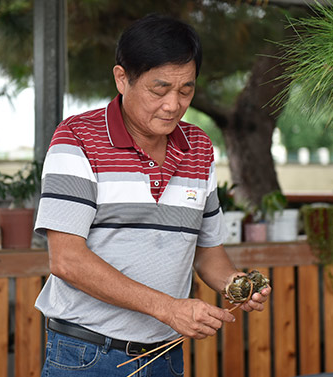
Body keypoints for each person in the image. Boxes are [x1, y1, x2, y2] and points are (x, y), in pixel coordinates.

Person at [34, 13, 271, 376]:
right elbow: (67, 260)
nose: (173, 104)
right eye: (159, 89)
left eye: (186, 90)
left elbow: (208, 254)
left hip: (164, 356)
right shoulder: (77, 139)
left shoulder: (200, 149)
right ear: (122, 78)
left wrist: (237, 285)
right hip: (87, 355)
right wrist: (168, 308)